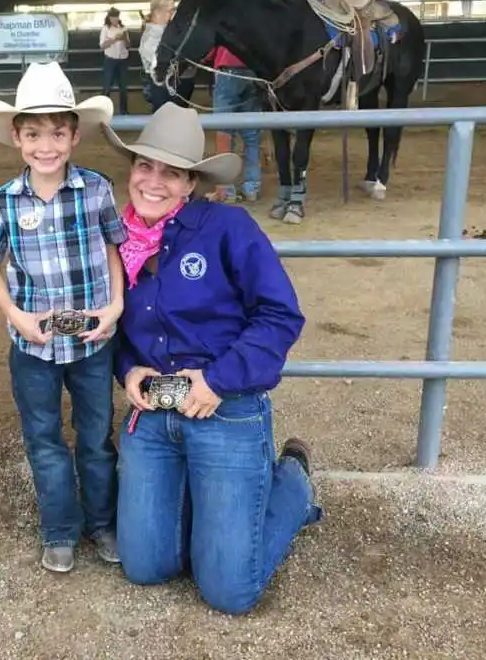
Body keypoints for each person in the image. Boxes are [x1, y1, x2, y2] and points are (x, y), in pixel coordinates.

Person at [100, 101, 321, 614]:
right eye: (144, 166)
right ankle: (211, 515)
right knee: (145, 566)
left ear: (191, 183)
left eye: (171, 172)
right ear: (131, 170)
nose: (154, 182)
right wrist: (128, 368)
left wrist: (217, 380)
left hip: (224, 406)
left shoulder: (228, 228)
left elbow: (280, 315)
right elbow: (110, 323)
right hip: (153, 411)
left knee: (229, 591)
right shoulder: (115, 238)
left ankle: (293, 480)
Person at [0, 61, 127, 574]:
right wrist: (15, 315)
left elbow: (114, 249)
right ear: (17, 138)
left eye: (58, 133)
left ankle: (102, 523)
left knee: (96, 436)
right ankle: (59, 529)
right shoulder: (4, 203)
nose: (46, 146)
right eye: (33, 134)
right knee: (44, 438)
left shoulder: (97, 190)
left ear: (74, 136)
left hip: (92, 343)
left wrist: (116, 305)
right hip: (33, 346)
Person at [203, 0, 263, 204]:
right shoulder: (255, 9)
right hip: (253, 73)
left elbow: (210, 46)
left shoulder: (220, 12)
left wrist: (206, 58)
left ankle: (225, 189)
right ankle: (252, 186)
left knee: (224, 131)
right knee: (251, 133)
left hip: (227, 72)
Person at [139, 0, 196, 112]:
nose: (172, 14)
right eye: (170, 11)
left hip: (179, 81)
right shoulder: (151, 36)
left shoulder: (171, 29)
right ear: (157, 12)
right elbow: (158, 64)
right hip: (162, 84)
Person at [98, 6, 130, 115]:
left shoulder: (124, 28)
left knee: (123, 87)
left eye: (116, 17)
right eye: (113, 17)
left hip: (123, 60)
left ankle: (124, 111)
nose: (115, 19)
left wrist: (124, 38)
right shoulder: (105, 29)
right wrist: (114, 40)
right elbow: (102, 45)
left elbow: (128, 45)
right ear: (109, 18)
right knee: (107, 86)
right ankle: (104, 111)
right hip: (110, 60)